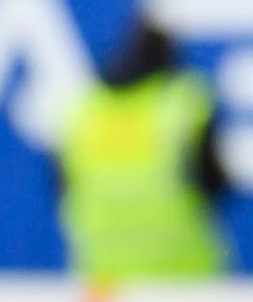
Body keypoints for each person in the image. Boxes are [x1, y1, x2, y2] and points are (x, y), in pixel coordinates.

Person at [54, 16, 230, 286]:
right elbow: (216, 184)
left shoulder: (85, 109)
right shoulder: (183, 104)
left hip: (104, 282)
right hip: (184, 281)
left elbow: (61, 188)